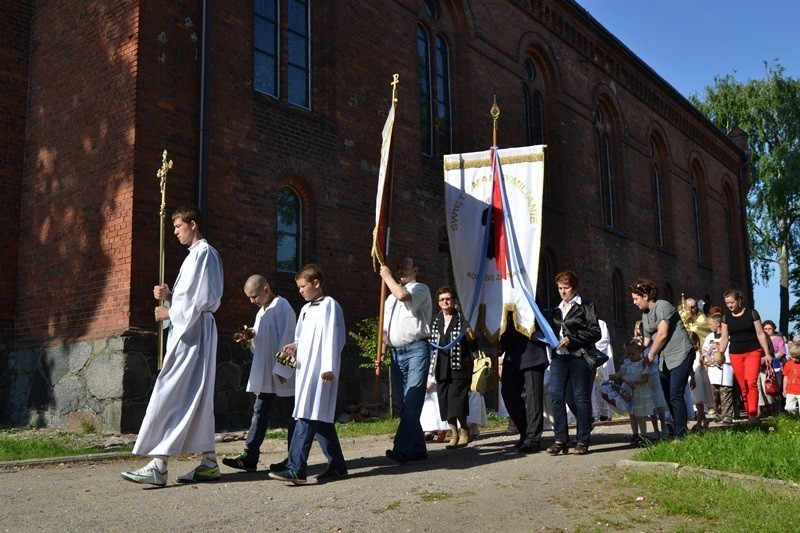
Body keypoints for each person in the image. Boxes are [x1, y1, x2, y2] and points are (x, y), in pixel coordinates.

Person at [121, 205, 224, 487]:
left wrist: (170, 311)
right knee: (196, 395)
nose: (175, 232)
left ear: (192, 224)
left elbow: (200, 299)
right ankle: (209, 462)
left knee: (171, 389)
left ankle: (158, 463)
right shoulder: (195, 256)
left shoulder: (203, 253)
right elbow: (190, 297)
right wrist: (169, 296)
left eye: (178, 227)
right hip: (193, 330)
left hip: (193, 332)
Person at [269, 264, 348, 484]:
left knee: (306, 415)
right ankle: (338, 466)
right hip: (306, 372)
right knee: (320, 419)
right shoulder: (305, 309)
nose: (301, 290)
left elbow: (334, 337)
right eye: (299, 287)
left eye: (304, 286)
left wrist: (328, 367)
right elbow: (302, 337)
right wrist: (294, 347)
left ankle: (296, 468)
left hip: (321, 372)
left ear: (316, 283)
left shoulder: (329, 305)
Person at [222, 275, 296, 473]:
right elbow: (262, 342)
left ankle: (294, 459)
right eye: (248, 297)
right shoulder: (262, 311)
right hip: (264, 371)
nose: (251, 301)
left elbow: (288, 337)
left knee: (292, 415)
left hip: (280, 371)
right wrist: (252, 335)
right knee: (259, 412)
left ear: (266, 289)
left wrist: (284, 369)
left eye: (254, 296)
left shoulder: (282, 306)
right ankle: (249, 456)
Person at [380, 257, 432, 464]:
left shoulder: (420, 289)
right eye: (398, 267)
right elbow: (385, 329)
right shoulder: (389, 298)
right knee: (405, 402)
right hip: (396, 353)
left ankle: (401, 449)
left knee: (412, 400)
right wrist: (382, 350)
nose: (400, 270)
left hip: (416, 350)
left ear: (415, 270)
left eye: (405, 267)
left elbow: (403, 295)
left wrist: (387, 277)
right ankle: (418, 448)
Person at [630, 278, 694, 439]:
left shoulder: (663, 306)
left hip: (681, 353)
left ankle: (681, 434)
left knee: (675, 394)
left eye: (636, 299)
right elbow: (646, 341)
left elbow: (662, 334)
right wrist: (634, 351)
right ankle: (680, 430)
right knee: (668, 396)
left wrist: (650, 355)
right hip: (665, 358)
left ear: (645, 296)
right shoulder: (645, 315)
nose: (634, 303)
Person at [547, 270, 601, 455]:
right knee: (556, 395)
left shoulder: (586, 306)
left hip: (579, 355)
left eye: (566, 288)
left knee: (580, 396)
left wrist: (572, 338)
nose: (562, 292)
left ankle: (583, 439)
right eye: (560, 288)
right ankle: (561, 438)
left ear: (574, 288)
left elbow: (595, 332)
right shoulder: (556, 308)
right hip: (559, 357)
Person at [716, 289, 774, 425]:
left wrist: (767, 353)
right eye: (727, 303)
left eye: (732, 302)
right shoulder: (726, 317)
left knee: (751, 382)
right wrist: (720, 352)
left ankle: (753, 415)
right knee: (743, 386)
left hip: (753, 351)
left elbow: (760, 334)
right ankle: (750, 415)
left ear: (739, 300)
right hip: (735, 353)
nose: (730, 305)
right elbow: (724, 338)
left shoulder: (751, 313)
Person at [429, 286, 474, 449]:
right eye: (441, 299)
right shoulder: (436, 320)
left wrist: (470, 337)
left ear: (453, 300)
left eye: (447, 299)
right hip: (441, 365)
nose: (445, 302)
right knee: (444, 401)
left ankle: (464, 432)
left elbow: (473, 344)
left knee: (457, 399)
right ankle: (453, 434)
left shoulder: (462, 319)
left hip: (459, 366)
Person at [499, 313, 550, 454]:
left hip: (531, 351)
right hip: (512, 354)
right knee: (508, 394)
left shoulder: (529, 293)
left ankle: (533, 439)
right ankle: (525, 431)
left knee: (534, 398)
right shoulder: (505, 297)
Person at [609, 338, 655, 446]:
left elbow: (645, 378)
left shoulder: (643, 364)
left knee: (640, 414)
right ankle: (635, 434)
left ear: (640, 351)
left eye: (633, 353)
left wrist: (637, 382)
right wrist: (615, 376)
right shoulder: (627, 363)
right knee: (632, 414)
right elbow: (622, 372)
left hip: (639, 391)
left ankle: (644, 434)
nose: (630, 356)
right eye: (628, 354)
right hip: (628, 390)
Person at [702, 310, 735, 426]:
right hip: (713, 369)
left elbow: (729, 348)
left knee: (725, 392)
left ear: (718, 324)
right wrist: (707, 357)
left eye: (710, 324)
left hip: (725, 368)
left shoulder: (728, 336)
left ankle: (728, 415)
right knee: (714, 393)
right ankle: (719, 412)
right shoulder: (710, 336)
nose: (709, 326)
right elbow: (704, 349)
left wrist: (718, 346)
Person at [592, 319, 616, 422]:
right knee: (593, 387)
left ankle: (605, 413)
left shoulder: (601, 323)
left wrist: (592, 348)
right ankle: (594, 413)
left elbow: (605, 339)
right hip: (589, 357)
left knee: (603, 384)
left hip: (601, 357)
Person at [761, 320, 786, 415]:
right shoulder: (762, 339)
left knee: (777, 386)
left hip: (777, 366)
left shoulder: (778, 338)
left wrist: (772, 358)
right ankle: (768, 407)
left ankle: (779, 408)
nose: (767, 330)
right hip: (765, 367)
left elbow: (782, 351)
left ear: (773, 329)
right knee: (767, 386)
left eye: (769, 328)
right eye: (765, 329)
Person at [689, 332, 713, 431]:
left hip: (698, 379)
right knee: (698, 403)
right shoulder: (690, 352)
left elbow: (708, 361)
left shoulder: (699, 353)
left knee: (699, 403)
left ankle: (699, 423)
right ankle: (704, 420)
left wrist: (708, 361)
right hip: (694, 378)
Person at [782, 343, 800, 415]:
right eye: (793, 357)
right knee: (789, 407)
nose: (795, 359)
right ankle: (794, 417)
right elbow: (785, 377)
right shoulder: (788, 364)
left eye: (798, 357)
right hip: (790, 390)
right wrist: (784, 389)